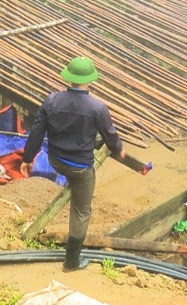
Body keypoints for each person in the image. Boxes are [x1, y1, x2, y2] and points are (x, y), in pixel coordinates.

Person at [20, 56, 125, 272]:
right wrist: (119, 150)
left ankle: (72, 257)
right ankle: (72, 261)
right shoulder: (98, 108)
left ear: (67, 77)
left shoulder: (51, 101)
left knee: (75, 152)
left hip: (56, 161)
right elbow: (110, 136)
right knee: (81, 210)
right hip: (80, 168)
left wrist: (27, 159)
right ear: (90, 80)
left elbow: (36, 133)